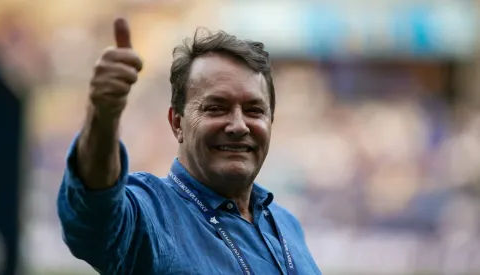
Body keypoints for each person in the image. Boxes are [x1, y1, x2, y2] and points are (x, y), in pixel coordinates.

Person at [57, 18, 322, 275]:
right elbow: (93, 215)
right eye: (216, 108)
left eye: (255, 110)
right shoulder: (152, 216)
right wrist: (103, 116)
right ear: (177, 123)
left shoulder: (286, 224)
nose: (239, 125)